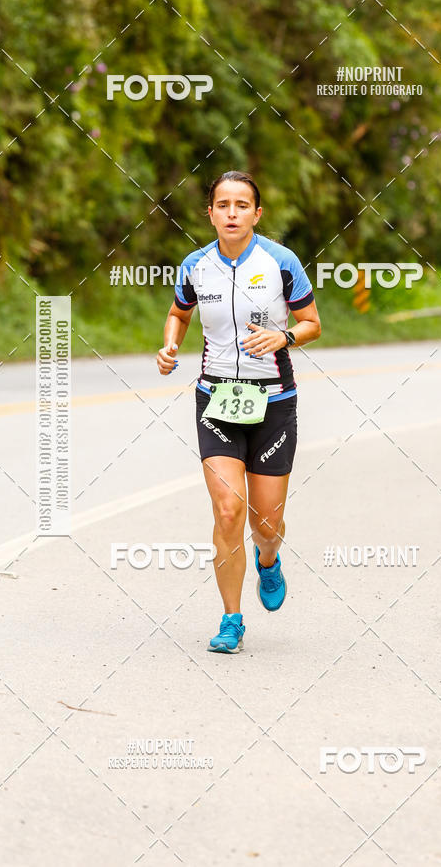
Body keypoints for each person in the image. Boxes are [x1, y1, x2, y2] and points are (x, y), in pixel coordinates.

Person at [156, 171, 321, 653]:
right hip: (216, 401)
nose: (232, 213)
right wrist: (169, 346)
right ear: (210, 213)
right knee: (228, 510)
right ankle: (231, 619)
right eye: (222, 205)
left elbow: (312, 323)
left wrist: (284, 336)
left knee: (265, 525)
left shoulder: (281, 262)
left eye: (241, 205)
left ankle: (268, 560)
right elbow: (179, 313)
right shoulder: (195, 265)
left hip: (273, 402)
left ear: (256, 213)